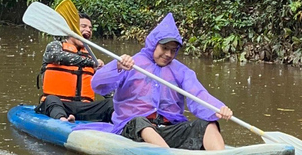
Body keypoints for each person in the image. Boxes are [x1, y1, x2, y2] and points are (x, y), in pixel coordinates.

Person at [81, 13, 233, 150]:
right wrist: (117, 66)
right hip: (133, 127)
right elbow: (98, 85)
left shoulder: (182, 71)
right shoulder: (131, 63)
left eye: (173, 50)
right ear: (154, 45)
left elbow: (198, 94)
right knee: (140, 122)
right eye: (164, 48)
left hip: (168, 128)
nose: (168, 54)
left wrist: (218, 108)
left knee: (207, 124)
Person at [35, 13, 113, 122]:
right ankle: (63, 121)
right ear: (71, 29)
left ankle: (124, 126)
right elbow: (58, 56)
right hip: (59, 105)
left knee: (112, 103)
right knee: (51, 99)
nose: (88, 30)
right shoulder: (55, 46)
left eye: (90, 28)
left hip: (83, 108)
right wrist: (91, 63)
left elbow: (106, 91)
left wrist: (102, 76)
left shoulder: (90, 57)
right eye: (84, 26)